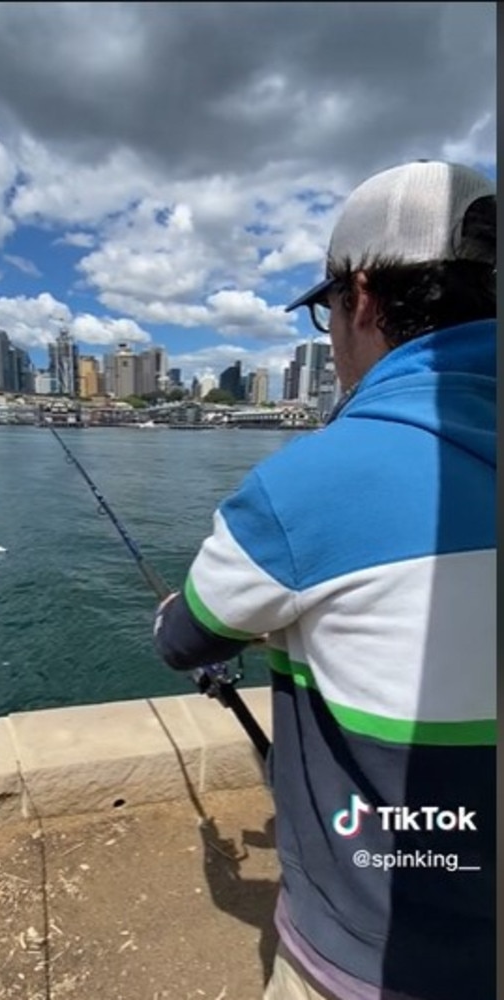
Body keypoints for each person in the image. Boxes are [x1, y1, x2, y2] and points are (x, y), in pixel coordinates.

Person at [153, 160, 495, 1000]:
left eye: (326, 311)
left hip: (379, 961)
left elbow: (183, 638)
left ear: (364, 299)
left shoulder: (306, 487)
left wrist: (182, 612)